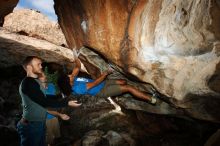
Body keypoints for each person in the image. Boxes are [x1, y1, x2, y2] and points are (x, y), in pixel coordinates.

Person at [17, 56, 81, 146]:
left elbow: (47, 98)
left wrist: (64, 96)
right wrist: (66, 103)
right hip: (31, 125)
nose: (41, 66)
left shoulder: (35, 82)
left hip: (38, 123)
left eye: (41, 64)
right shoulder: (28, 82)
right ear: (29, 67)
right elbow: (44, 102)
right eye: (38, 64)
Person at [57, 58, 157, 104]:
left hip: (102, 83)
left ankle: (125, 93)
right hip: (101, 91)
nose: (71, 75)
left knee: (123, 82)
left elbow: (77, 67)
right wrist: (106, 73)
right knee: (128, 88)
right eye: (69, 77)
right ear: (68, 83)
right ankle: (150, 99)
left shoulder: (73, 79)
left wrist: (75, 55)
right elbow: (95, 83)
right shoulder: (78, 89)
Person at [39, 72, 69, 146]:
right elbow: (47, 109)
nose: (45, 76)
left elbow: (55, 98)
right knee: (49, 139)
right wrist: (60, 114)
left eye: (44, 77)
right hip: (45, 118)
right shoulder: (38, 92)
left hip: (54, 116)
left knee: (55, 135)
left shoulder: (51, 86)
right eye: (41, 81)